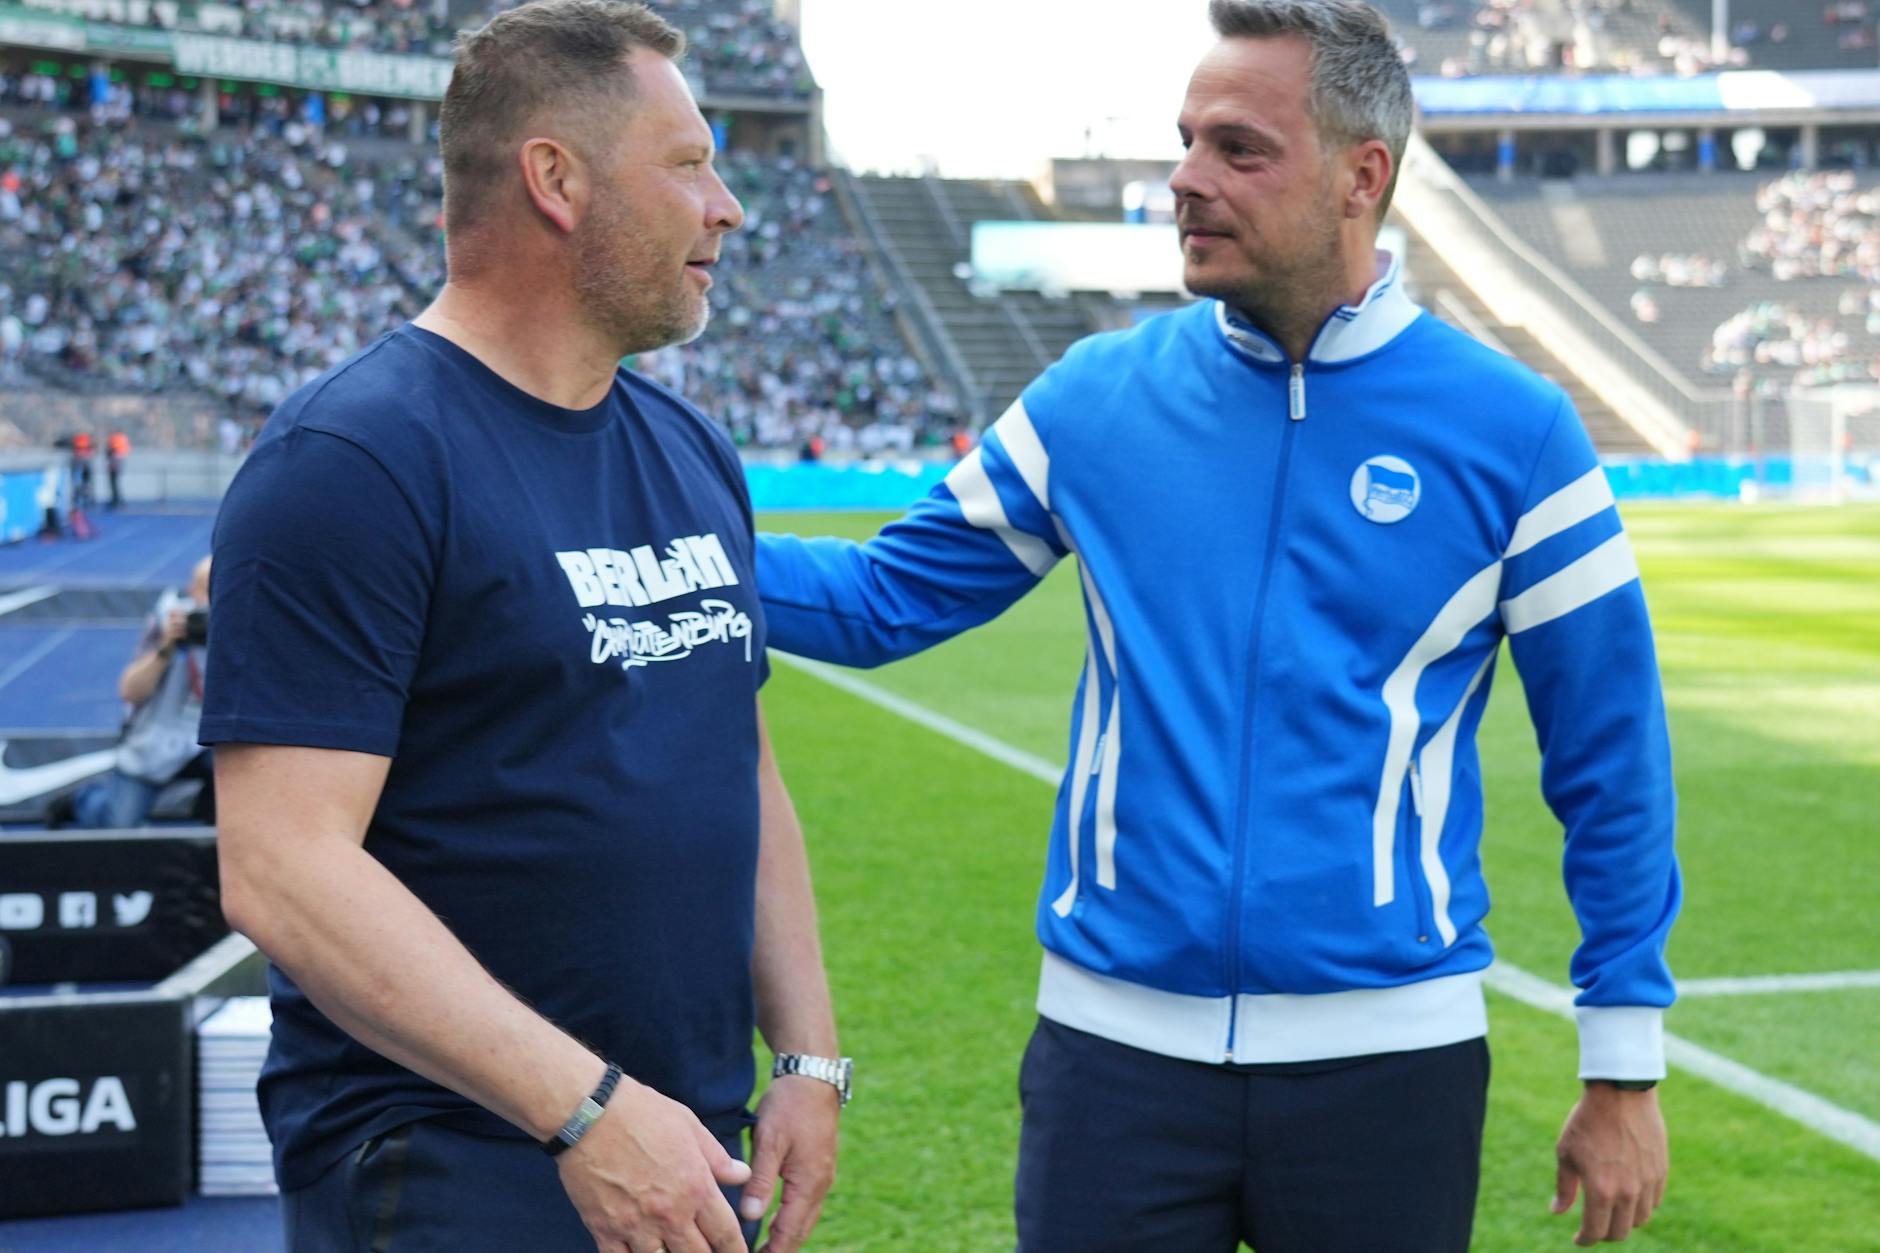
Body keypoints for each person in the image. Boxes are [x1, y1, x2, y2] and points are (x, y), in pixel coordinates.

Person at [755, 2, 1677, 1250]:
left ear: (1363, 178)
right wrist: (661, 554)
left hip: (1388, 1063)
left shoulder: (1515, 434)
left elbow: (1609, 760)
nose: (1184, 178)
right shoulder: (1095, 398)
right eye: (1186, 141)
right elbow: (879, 598)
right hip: (1110, 1061)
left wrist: (1621, 1065)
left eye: (1238, 149)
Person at [202, 4, 842, 1251]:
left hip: (680, 1144)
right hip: (457, 1158)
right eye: (687, 162)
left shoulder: (689, 445)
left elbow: (739, 763)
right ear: (556, 178)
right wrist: (584, 1111)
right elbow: (282, 865)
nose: (728, 206)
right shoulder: (352, 458)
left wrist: (809, 1056)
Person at [59, 555, 214, 828]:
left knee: (249, 779)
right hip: (156, 741)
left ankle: (210, 806)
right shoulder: (168, 621)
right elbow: (130, 691)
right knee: (118, 823)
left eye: (217, 589)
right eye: (204, 587)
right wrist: (166, 648)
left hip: (211, 743)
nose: (208, 599)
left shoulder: (243, 627)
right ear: (190, 590)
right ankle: (83, 801)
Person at [106, 430, 130, 509]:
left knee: (114, 481)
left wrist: (110, 453)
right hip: (119, 459)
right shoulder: (123, 438)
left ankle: (116, 499)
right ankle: (117, 499)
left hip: (116, 459)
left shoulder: (115, 439)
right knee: (115, 481)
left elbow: (112, 449)